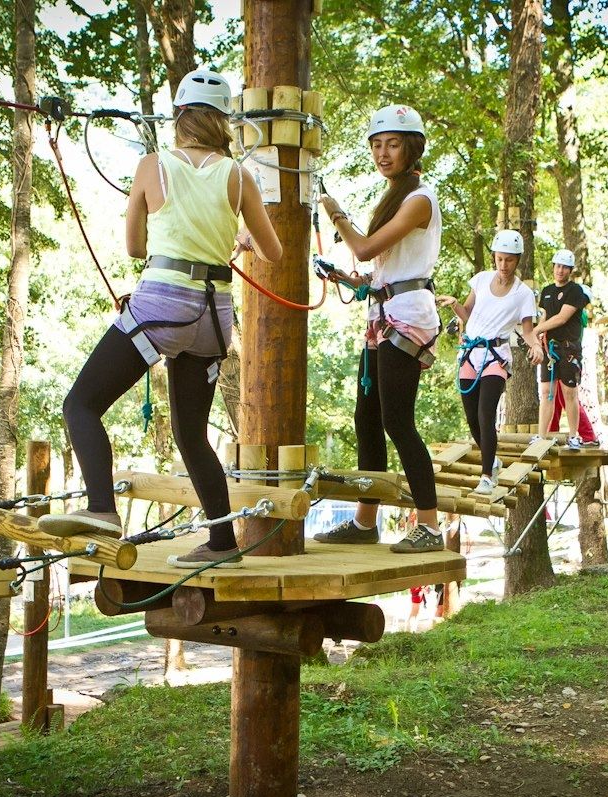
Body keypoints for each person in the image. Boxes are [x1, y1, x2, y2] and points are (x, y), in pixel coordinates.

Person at [39, 69, 282, 569]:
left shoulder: (154, 165)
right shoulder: (239, 177)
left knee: (80, 405)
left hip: (162, 306)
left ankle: (102, 509)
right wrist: (237, 239)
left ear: (180, 117)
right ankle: (222, 542)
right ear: (223, 121)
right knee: (192, 434)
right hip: (213, 316)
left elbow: (135, 247)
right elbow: (273, 251)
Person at [314, 104, 443, 554]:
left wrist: (335, 213)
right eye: (376, 145)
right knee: (366, 418)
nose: (383, 153)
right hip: (386, 312)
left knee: (397, 421)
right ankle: (365, 521)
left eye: (392, 145)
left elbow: (366, 249)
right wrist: (350, 280)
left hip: (407, 316)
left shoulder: (419, 199)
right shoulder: (394, 198)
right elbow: (382, 266)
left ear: (412, 149)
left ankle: (430, 526)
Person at [437, 229, 543, 494]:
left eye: (509, 260)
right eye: (499, 259)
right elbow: (467, 314)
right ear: (494, 257)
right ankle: (492, 459)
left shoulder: (523, 294)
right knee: (472, 417)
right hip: (471, 352)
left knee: (486, 414)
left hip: (496, 355)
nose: (503, 265)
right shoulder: (481, 280)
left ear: (517, 260)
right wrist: (454, 304)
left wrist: (537, 347)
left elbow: (528, 331)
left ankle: (486, 476)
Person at [533, 249, 590, 450]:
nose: (560, 270)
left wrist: (538, 329)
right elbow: (546, 315)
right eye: (558, 266)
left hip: (568, 348)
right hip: (549, 349)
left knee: (569, 392)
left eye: (565, 267)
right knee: (546, 391)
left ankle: (573, 436)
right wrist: (538, 336)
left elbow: (562, 318)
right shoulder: (547, 291)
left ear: (570, 270)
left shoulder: (575, 291)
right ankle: (541, 435)